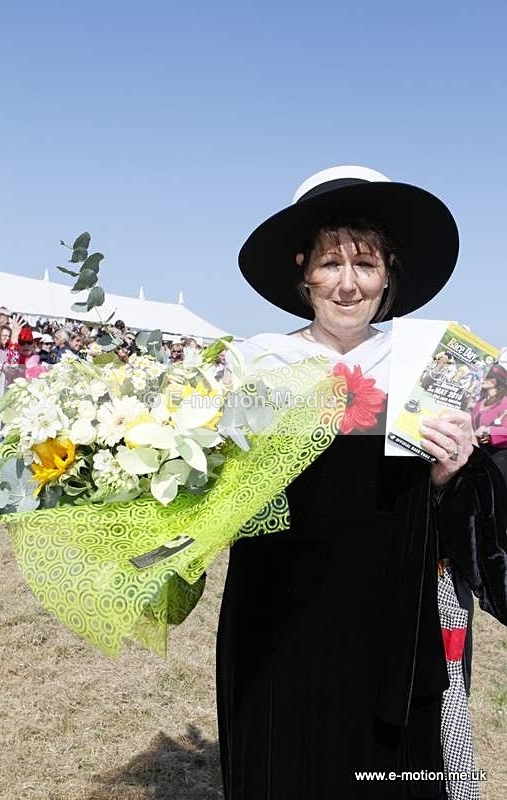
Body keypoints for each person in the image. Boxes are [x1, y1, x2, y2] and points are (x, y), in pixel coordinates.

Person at [216, 166, 507, 800]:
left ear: (388, 274)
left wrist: (449, 468)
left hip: (391, 614)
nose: (348, 284)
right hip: (277, 610)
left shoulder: (430, 363)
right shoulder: (256, 362)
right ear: (303, 271)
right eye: (330, 263)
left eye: (366, 265)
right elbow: (221, 496)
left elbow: (451, 506)